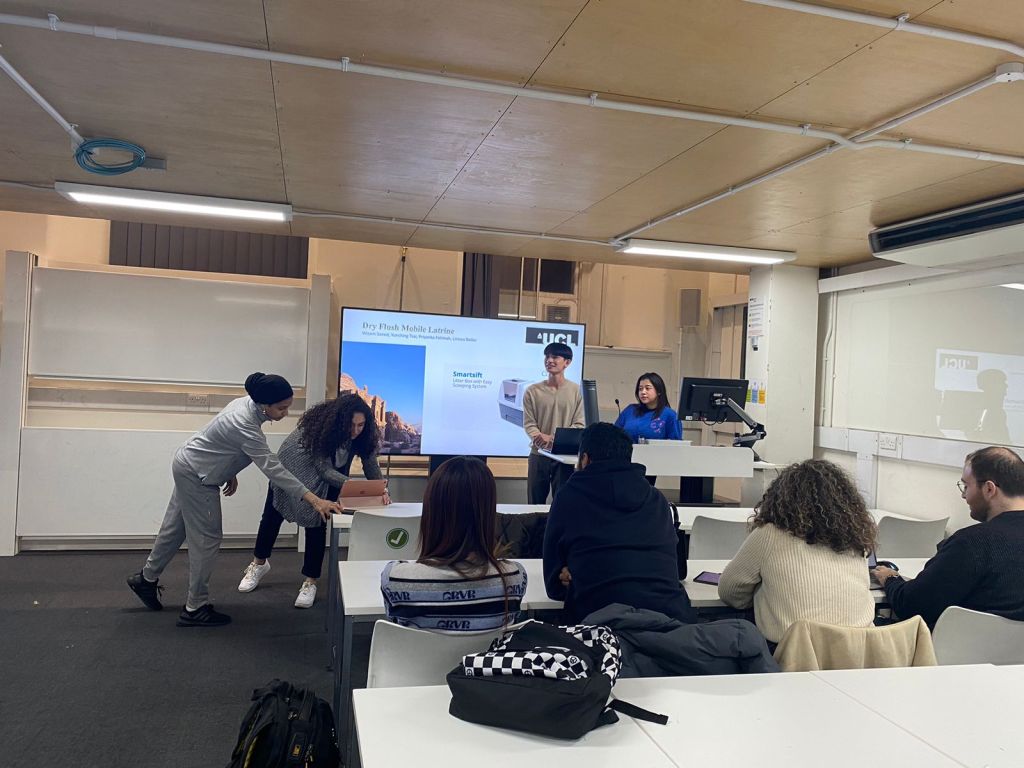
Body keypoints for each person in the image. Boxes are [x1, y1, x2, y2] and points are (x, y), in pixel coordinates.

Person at [126, 372, 343, 627]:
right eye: (281, 408)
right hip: (198, 476)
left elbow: (222, 441)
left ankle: (146, 579)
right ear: (264, 405)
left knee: (174, 529)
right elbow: (273, 468)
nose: (286, 413)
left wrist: (229, 470)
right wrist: (315, 500)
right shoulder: (244, 423)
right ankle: (195, 608)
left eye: (288, 406)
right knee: (207, 539)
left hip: (190, 464)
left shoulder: (246, 404)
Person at [237, 394, 388, 608]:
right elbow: (323, 469)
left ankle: (310, 581)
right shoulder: (321, 431)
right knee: (271, 518)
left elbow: (371, 465)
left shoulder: (364, 435)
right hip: (293, 469)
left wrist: (380, 488)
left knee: (318, 523)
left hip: (330, 474)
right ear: (340, 422)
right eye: (351, 425)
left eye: (361, 425)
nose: (355, 431)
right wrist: (356, 486)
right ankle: (258, 564)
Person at [542, 422, 697, 623]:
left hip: (598, 625)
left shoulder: (568, 498)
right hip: (668, 620)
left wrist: (575, 574)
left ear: (585, 459)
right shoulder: (657, 500)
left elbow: (553, 587)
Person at [718, 459, 876, 645]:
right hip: (861, 651)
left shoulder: (769, 535)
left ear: (780, 499)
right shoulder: (856, 539)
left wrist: (766, 599)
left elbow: (729, 592)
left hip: (797, 653)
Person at [873, 446, 1024, 627]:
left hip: (958, 644)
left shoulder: (973, 543)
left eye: (966, 486)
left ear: (989, 489)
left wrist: (890, 579)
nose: (964, 495)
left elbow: (911, 605)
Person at [381, 456, 526, 632]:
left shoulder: (395, 578)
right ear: (488, 513)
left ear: (431, 511)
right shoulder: (514, 577)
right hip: (485, 652)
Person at [522, 342, 584, 504]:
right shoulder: (532, 391)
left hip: (564, 456)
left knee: (562, 503)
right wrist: (540, 437)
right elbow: (529, 423)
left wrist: (553, 439)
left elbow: (579, 424)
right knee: (534, 503)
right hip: (538, 454)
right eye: (547, 356)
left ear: (567, 362)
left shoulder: (577, 391)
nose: (549, 360)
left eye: (555, 357)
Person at [614, 372, 683, 443]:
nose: (643, 392)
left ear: (659, 391)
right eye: (640, 389)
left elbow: (675, 444)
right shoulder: (630, 410)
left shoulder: (670, 415)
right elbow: (614, 434)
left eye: (647, 388)